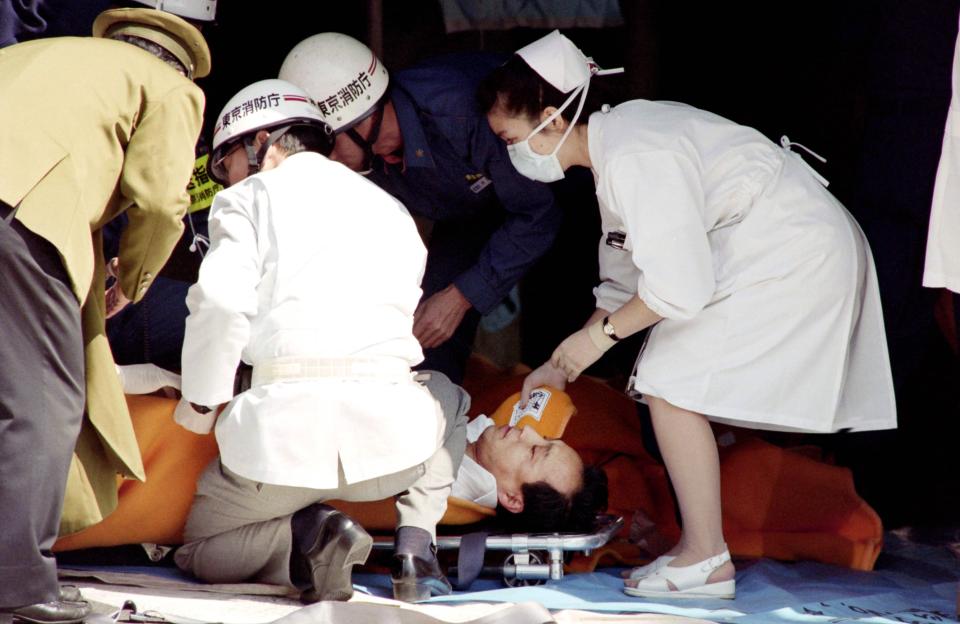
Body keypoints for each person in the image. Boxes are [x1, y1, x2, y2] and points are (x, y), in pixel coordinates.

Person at [477, 30, 897, 600]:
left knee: (669, 384)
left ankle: (706, 558)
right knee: (667, 380)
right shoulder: (617, 146)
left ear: (550, 119)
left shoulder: (634, 154)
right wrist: (561, 363)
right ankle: (699, 550)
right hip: (770, 248)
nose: (509, 152)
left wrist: (596, 340)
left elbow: (679, 287)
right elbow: (626, 271)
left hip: (789, 252)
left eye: (510, 138)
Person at [173, 78, 466, 603]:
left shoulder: (247, 198)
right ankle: (416, 550)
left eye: (225, 164)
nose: (224, 180)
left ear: (260, 143)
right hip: (390, 454)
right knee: (449, 395)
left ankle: (310, 535)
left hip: (278, 453)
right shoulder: (391, 208)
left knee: (201, 547)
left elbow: (218, 303)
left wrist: (201, 403)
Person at [0, 7, 208, 623]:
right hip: (19, 212)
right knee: (45, 401)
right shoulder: (170, 86)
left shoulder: (31, 59)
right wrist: (132, 283)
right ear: (176, 59)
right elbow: (164, 202)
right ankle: (18, 581)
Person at [277, 33, 562, 384]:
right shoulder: (364, 160)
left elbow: (538, 214)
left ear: (363, 120)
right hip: (469, 212)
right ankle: (439, 424)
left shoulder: (461, 112)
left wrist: (460, 297)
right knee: (427, 325)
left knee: (561, 312)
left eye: (329, 145)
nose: (330, 159)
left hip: (555, 193)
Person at [454, 413, 607, 534]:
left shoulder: (438, 478)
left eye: (534, 451)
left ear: (512, 499)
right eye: (545, 438)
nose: (528, 430)